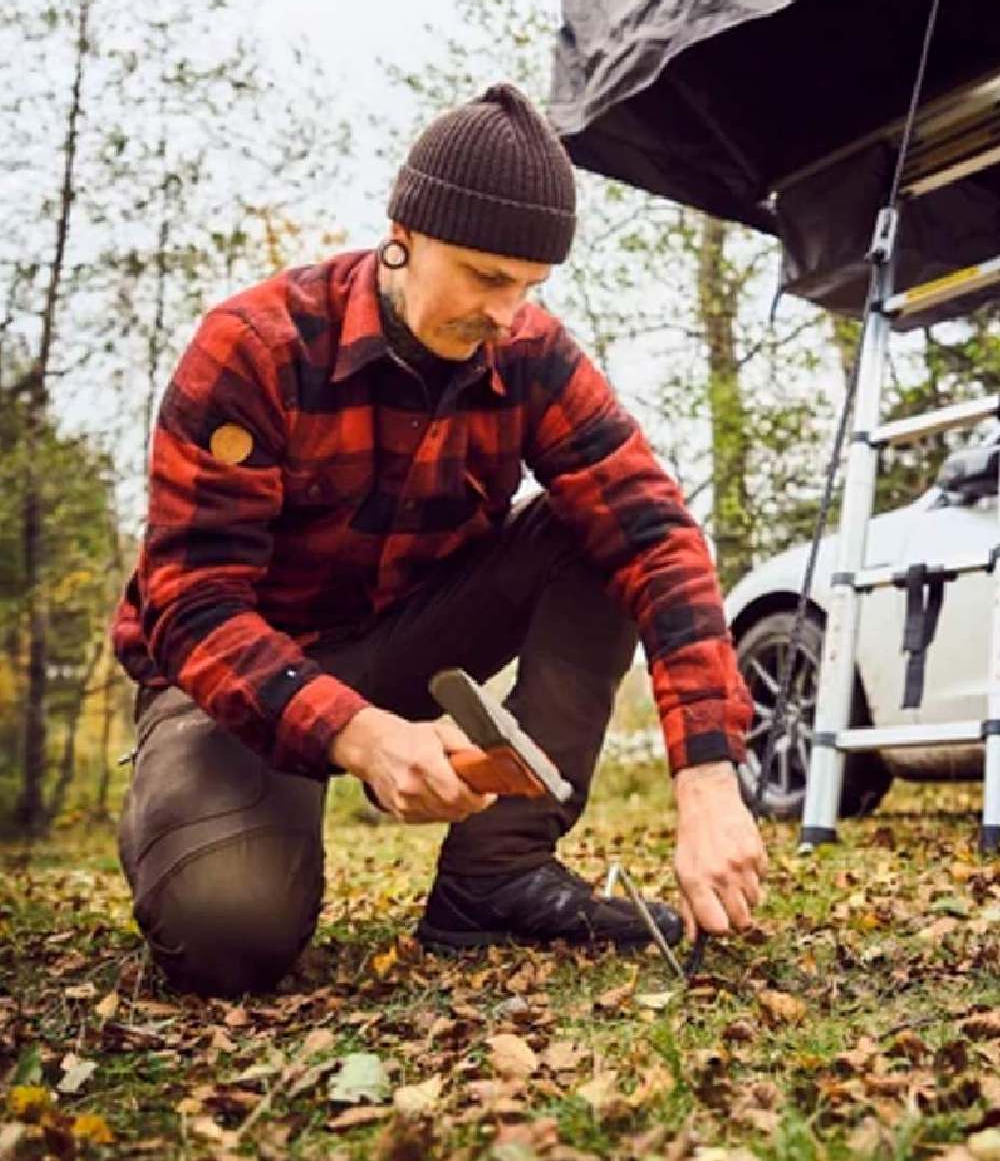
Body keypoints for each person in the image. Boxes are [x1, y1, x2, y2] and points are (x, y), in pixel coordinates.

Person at [113, 83, 767, 998]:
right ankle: (187, 816)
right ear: (402, 235)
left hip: (407, 634)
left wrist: (706, 774)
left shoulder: (531, 351)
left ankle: (496, 875)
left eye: (531, 286)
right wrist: (358, 733)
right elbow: (191, 605)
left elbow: (658, 535)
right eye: (486, 277)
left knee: (599, 534)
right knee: (230, 933)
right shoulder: (254, 347)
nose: (507, 313)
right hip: (237, 681)